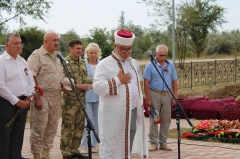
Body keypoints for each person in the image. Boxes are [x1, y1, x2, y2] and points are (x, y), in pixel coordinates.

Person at [93, 30, 148, 159]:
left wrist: (140, 101)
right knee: (112, 143)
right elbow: (97, 87)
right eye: (123, 49)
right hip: (113, 114)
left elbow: (137, 83)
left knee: (128, 139)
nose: (126, 52)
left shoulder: (133, 62)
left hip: (133, 110)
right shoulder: (104, 64)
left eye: (129, 49)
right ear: (115, 46)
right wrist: (118, 81)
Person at [27, 31, 65, 159]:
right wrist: (36, 97)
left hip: (56, 96)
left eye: (57, 40)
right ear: (45, 41)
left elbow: (60, 76)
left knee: (52, 127)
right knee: (39, 128)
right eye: (54, 40)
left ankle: (46, 155)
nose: (56, 43)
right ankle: (36, 155)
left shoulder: (58, 57)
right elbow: (30, 77)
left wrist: (64, 85)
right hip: (42, 96)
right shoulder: (37, 55)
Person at [0, 33, 35, 159]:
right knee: (4, 134)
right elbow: (0, 85)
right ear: (7, 45)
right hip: (7, 103)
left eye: (20, 43)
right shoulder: (1, 61)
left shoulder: (22, 61)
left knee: (18, 133)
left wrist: (29, 96)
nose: (19, 46)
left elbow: (31, 81)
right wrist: (15, 101)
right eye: (16, 43)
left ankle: (15, 156)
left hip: (23, 102)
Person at [143, 44, 178, 151]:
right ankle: (153, 143)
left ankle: (163, 142)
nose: (163, 57)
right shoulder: (150, 65)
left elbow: (174, 81)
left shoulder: (170, 66)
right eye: (160, 55)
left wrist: (174, 96)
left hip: (167, 94)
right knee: (155, 119)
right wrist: (148, 98)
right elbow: (146, 82)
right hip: (154, 94)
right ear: (155, 53)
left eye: (165, 55)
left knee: (166, 119)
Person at [60, 39, 90, 159]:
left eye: (81, 48)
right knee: (68, 127)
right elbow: (63, 80)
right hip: (70, 100)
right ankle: (66, 152)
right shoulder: (64, 63)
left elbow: (85, 78)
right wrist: (78, 86)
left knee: (79, 126)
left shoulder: (82, 62)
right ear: (70, 49)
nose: (80, 50)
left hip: (81, 100)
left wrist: (95, 83)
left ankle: (74, 150)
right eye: (77, 48)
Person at [80, 43, 101, 154]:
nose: (93, 55)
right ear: (87, 53)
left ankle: (93, 144)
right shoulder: (83, 64)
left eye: (95, 52)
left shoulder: (101, 64)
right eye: (91, 52)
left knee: (97, 120)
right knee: (87, 120)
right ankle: (84, 144)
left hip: (99, 96)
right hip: (87, 95)